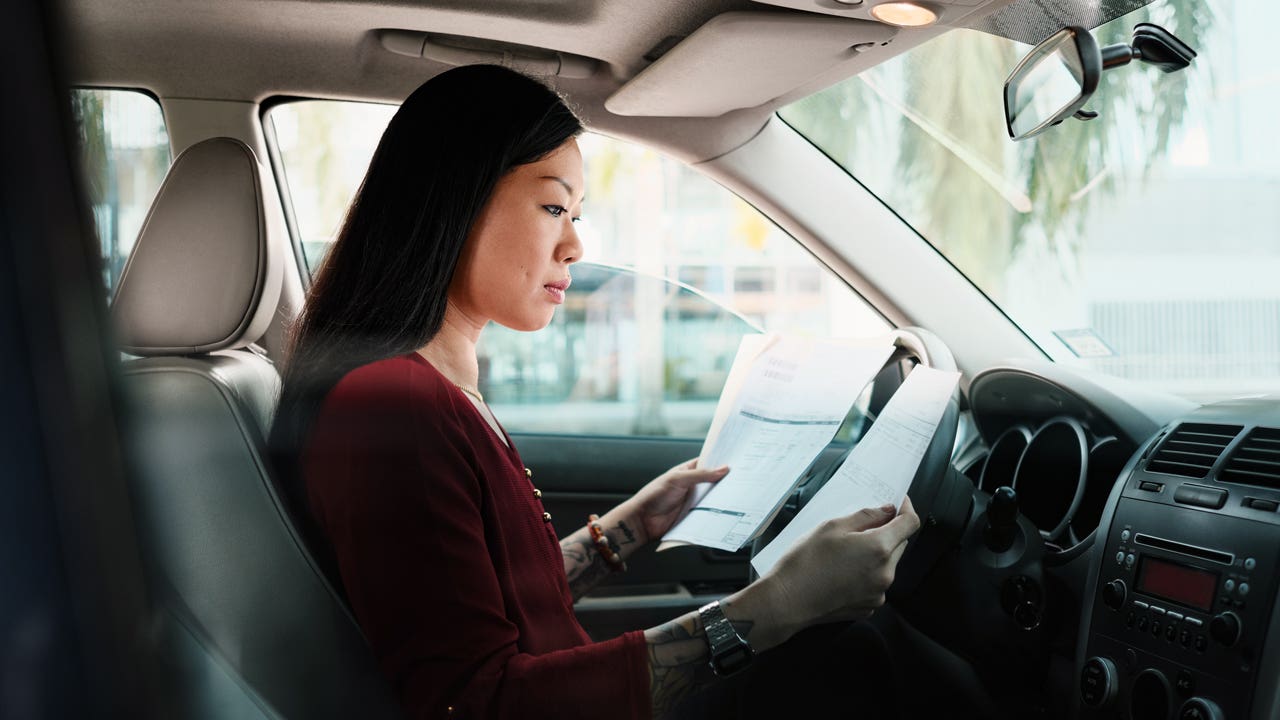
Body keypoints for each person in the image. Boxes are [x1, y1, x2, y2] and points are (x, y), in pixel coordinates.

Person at [269, 64, 921, 720]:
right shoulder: (396, 405)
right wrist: (771, 609)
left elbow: (493, 603)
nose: (576, 245)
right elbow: (479, 702)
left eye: (577, 214)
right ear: (456, 197)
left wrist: (633, 525)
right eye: (554, 207)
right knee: (852, 652)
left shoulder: (430, 389)